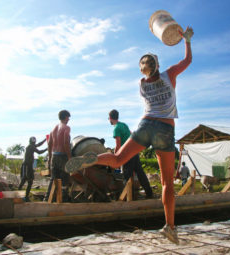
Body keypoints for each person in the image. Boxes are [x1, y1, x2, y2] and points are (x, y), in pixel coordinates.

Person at [66, 27, 194, 244]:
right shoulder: (169, 74)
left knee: (117, 159)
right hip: (164, 129)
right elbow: (187, 60)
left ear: (142, 70)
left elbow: (149, 71)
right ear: (158, 65)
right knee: (167, 184)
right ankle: (170, 227)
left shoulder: (141, 83)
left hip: (144, 125)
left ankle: (92, 159)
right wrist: (187, 40)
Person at [108, 109, 153, 198]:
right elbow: (131, 135)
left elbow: (118, 144)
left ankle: (129, 197)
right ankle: (149, 193)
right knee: (140, 173)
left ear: (110, 118)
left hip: (126, 154)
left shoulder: (116, 128)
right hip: (134, 152)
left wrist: (116, 158)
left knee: (126, 175)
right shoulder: (124, 125)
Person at [44, 110, 72, 202]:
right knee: (65, 179)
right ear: (65, 117)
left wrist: (50, 158)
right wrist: (69, 157)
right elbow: (66, 143)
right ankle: (64, 199)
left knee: (53, 179)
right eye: (68, 117)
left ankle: (47, 198)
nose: (69, 119)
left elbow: (49, 144)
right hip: (62, 156)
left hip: (54, 156)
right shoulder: (66, 128)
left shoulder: (54, 129)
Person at [19, 136, 47, 202]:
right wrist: (47, 149)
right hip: (28, 166)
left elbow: (38, 144)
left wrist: (45, 140)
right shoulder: (31, 147)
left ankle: (19, 192)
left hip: (26, 165)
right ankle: (26, 197)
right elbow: (39, 152)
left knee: (24, 179)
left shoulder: (30, 146)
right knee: (30, 181)